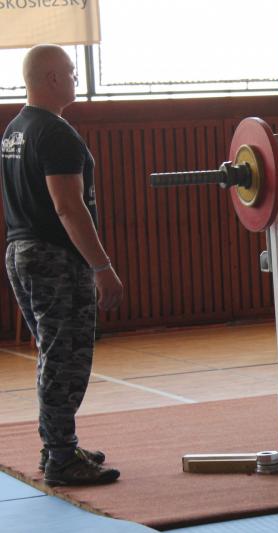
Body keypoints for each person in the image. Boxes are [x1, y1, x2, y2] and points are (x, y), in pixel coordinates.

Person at [1, 44, 124, 485]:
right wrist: (102, 267)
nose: (75, 78)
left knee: (53, 354)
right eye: (71, 72)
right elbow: (68, 207)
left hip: (21, 251)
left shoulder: (16, 129)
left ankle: (58, 445)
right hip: (53, 257)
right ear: (51, 78)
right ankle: (61, 457)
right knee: (66, 358)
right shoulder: (55, 133)